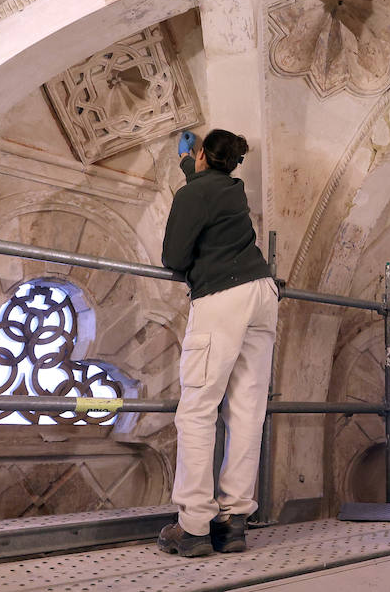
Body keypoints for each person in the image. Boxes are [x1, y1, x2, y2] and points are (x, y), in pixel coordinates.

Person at [157, 129, 278, 557]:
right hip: (262, 293)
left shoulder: (194, 195)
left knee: (198, 409)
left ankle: (192, 526)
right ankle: (234, 521)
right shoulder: (233, 189)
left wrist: (189, 172)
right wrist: (190, 165)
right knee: (247, 410)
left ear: (204, 154)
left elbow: (173, 256)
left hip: (222, 297)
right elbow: (205, 184)